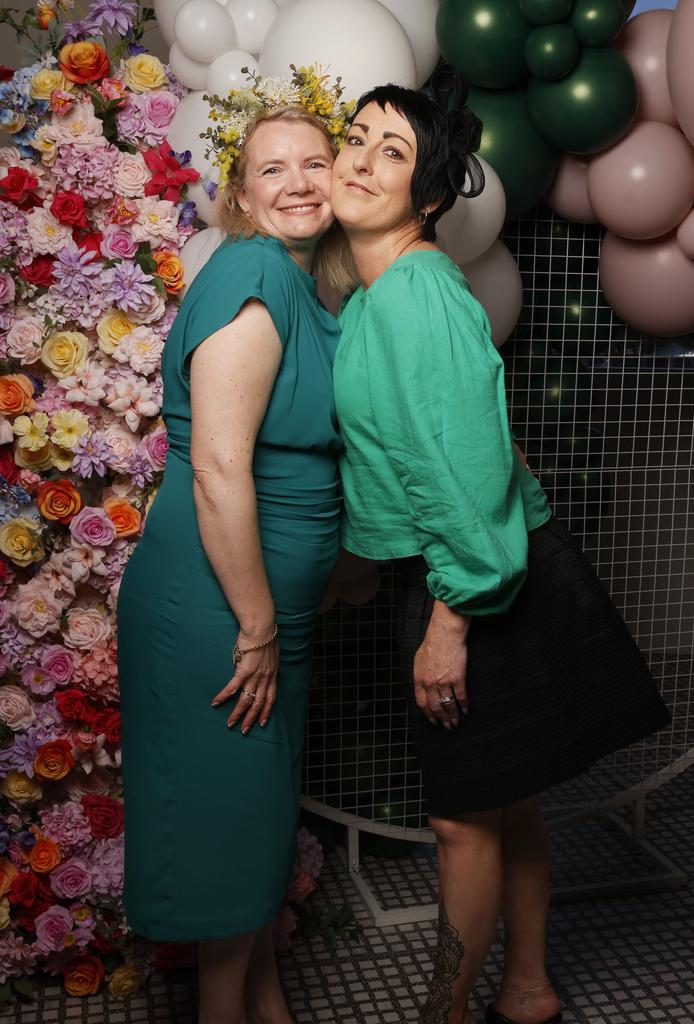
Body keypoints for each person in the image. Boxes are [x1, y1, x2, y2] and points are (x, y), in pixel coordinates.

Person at [331, 68, 671, 1024]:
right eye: (356, 136)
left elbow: (467, 485)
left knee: (459, 820)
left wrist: (450, 621)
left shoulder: (413, 297)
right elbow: (460, 450)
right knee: (507, 800)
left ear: (429, 197)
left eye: (391, 152)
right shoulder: (381, 294)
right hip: (473, 564)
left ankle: (447, 1017)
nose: (361, 158)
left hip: (478, 581)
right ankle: (528, 989)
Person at [118, 90, 352, 1024]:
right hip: (220, 610)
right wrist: (256, 626)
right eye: (271, 169)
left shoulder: (302, 280)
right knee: (226, 830)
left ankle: (267, 1003)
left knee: (256, 823)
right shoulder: (251, 273)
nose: (297, 183)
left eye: (314, 163)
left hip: (263, 609)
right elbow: (217, 469)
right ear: (242, 199)